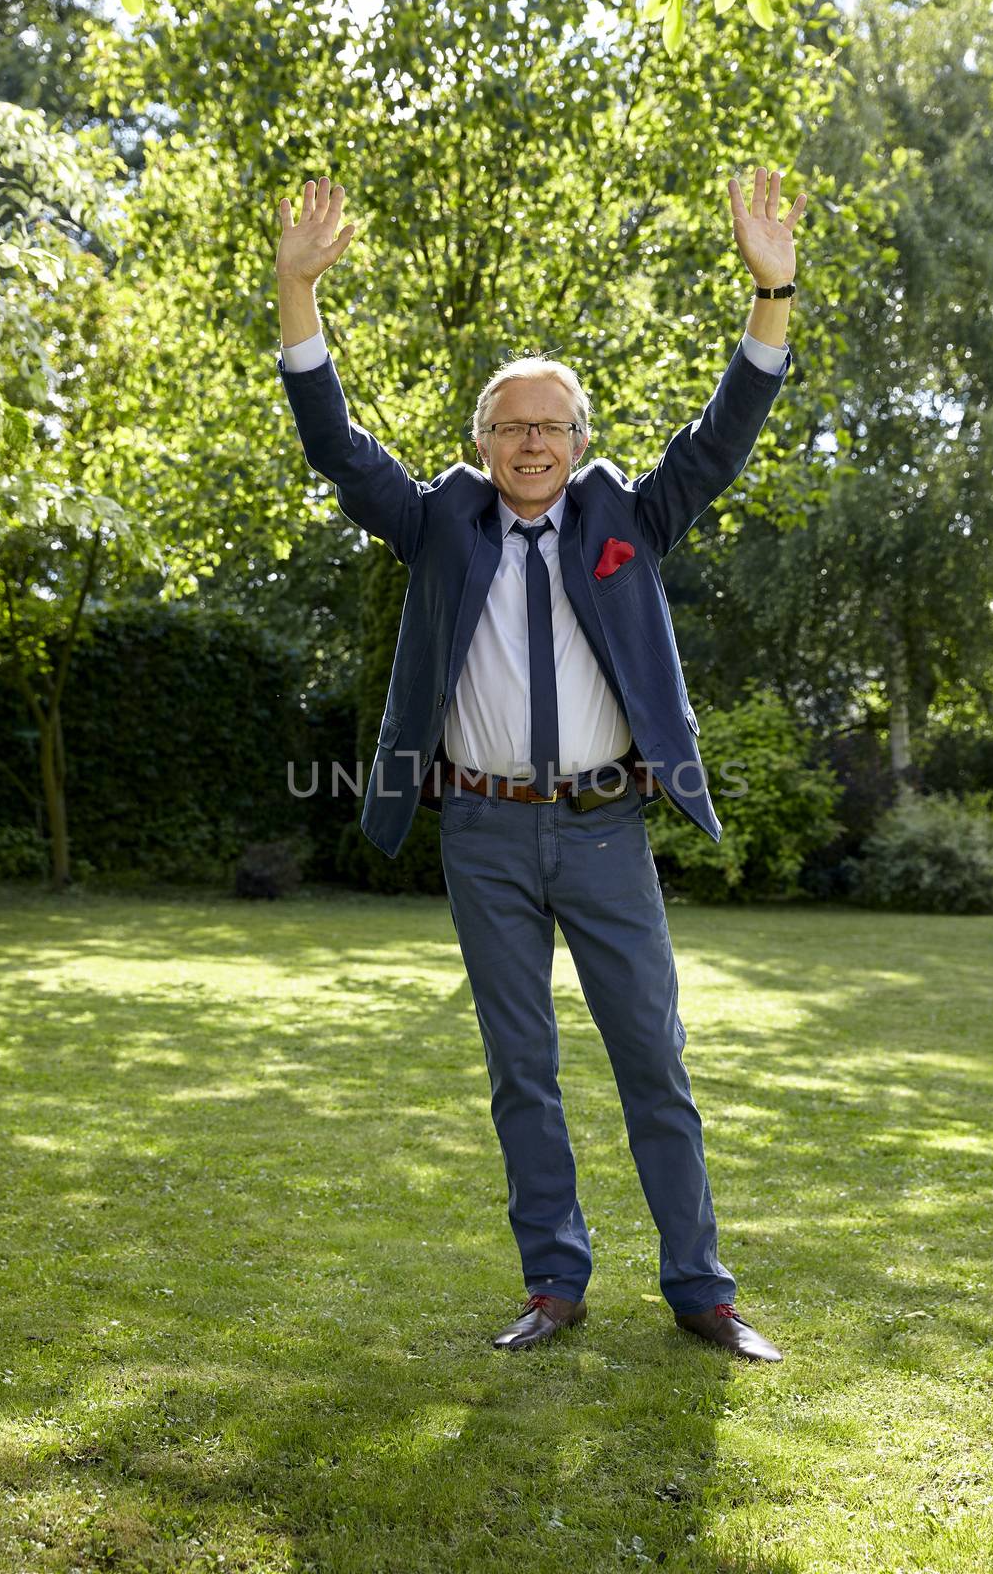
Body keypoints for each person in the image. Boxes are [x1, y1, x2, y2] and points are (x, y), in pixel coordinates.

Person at [275, 169, 807, 1360]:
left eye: (550, 425)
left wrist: (770, 288)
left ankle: (700, 1289)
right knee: (522, 1069)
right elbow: (333, 446)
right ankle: (554, 1281)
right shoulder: (435, 523)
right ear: (480, 443)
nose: (530, 443)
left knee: (652, 1066)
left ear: (578, 440)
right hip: (482, 834)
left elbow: (722, 436)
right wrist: (296, 293)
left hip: (606, 830)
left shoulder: (629, 517)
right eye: (509, 425)